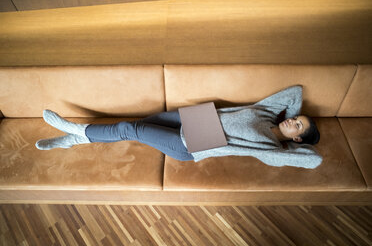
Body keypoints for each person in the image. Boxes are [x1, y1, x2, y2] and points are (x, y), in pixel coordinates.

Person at [36, 85, 322, 169]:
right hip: (197, 119)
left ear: (296, 139)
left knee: (130, 129)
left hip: (194, 145)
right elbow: (294, 92)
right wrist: (295, 117)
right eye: (296, 118)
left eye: (296, 125)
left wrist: (297, 139)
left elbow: (314, 159)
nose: (291, 120)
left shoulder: (271, 148)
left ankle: (76, 129)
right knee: (136, 124)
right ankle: (75, 140)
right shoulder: (269, 112)